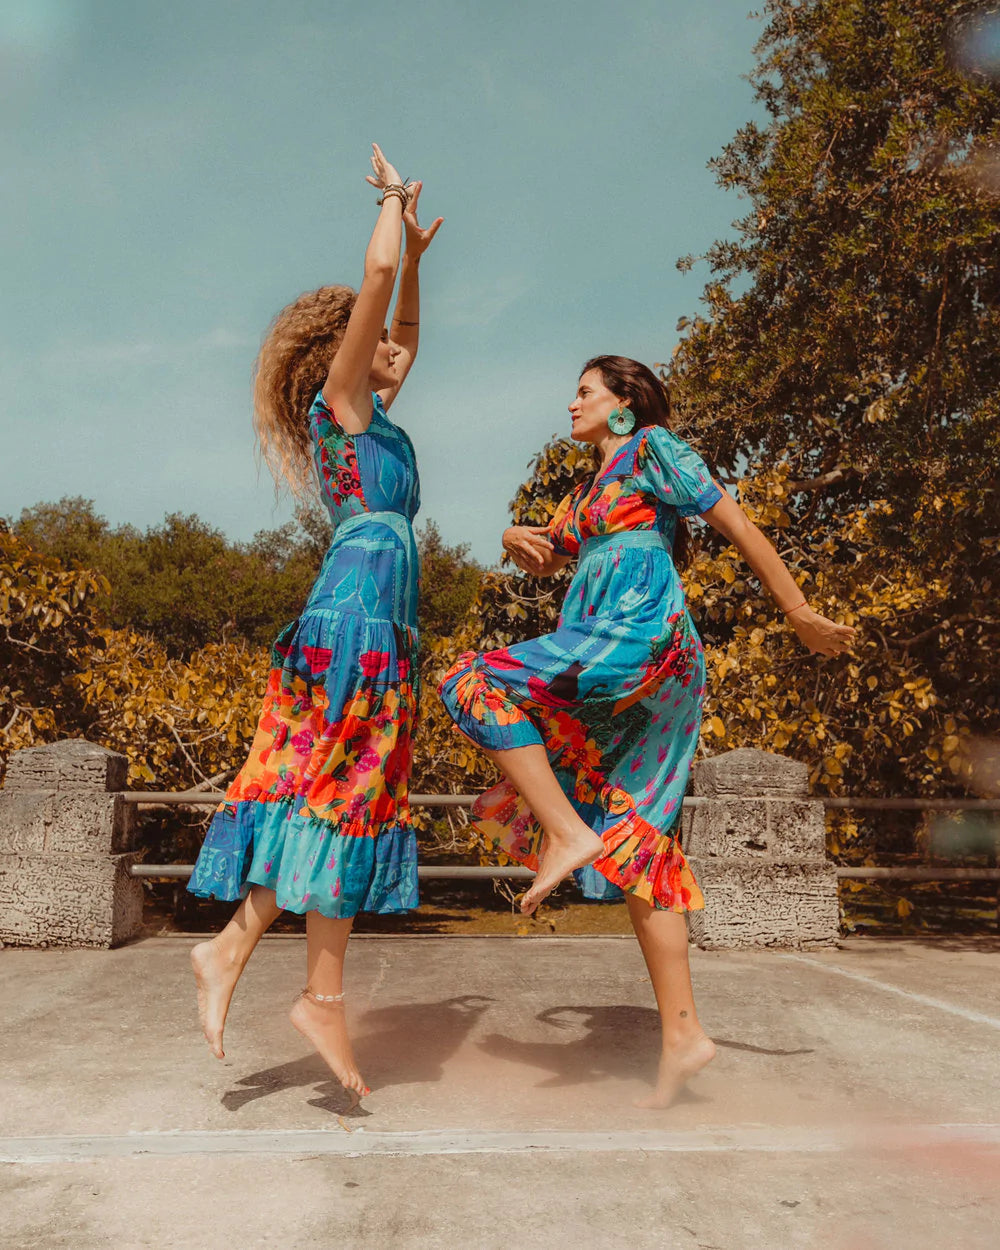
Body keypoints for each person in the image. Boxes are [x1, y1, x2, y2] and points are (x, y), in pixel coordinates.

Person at [438, 355, 854, 1106]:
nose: (571, 404)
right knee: (636, 837)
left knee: (469, 679)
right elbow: (550, 549)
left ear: (624, 405)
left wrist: (796, 612)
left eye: (585, 392)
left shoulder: (655, 449)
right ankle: (685, 1033)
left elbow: (737, 525)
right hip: (616, 647)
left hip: (642, 640)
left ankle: (565, 833)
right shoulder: (588, 490)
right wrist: (510, 535)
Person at [187, 145, 443, 1098]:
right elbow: (375, 284)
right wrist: (389, 206)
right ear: (350, 345)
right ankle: (299, 988)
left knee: (346, 798)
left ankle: (252, 962)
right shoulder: (342, 404)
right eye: (381, 339)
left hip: (384, 626)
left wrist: (417, 255)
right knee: (332, 792)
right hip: (352, 620)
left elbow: (399, 306)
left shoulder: (373, 410)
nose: (400, 350)